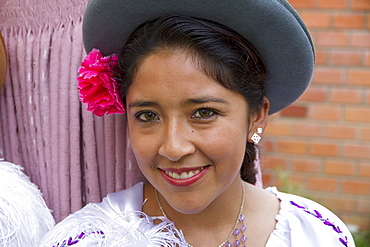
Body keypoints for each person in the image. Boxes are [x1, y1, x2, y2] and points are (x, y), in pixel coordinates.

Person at [39, 0, 355, 246]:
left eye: (203, 113)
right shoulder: (90, 240)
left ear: (257, 115)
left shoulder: (314, 235)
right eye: (148, 116)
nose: (174, 147)